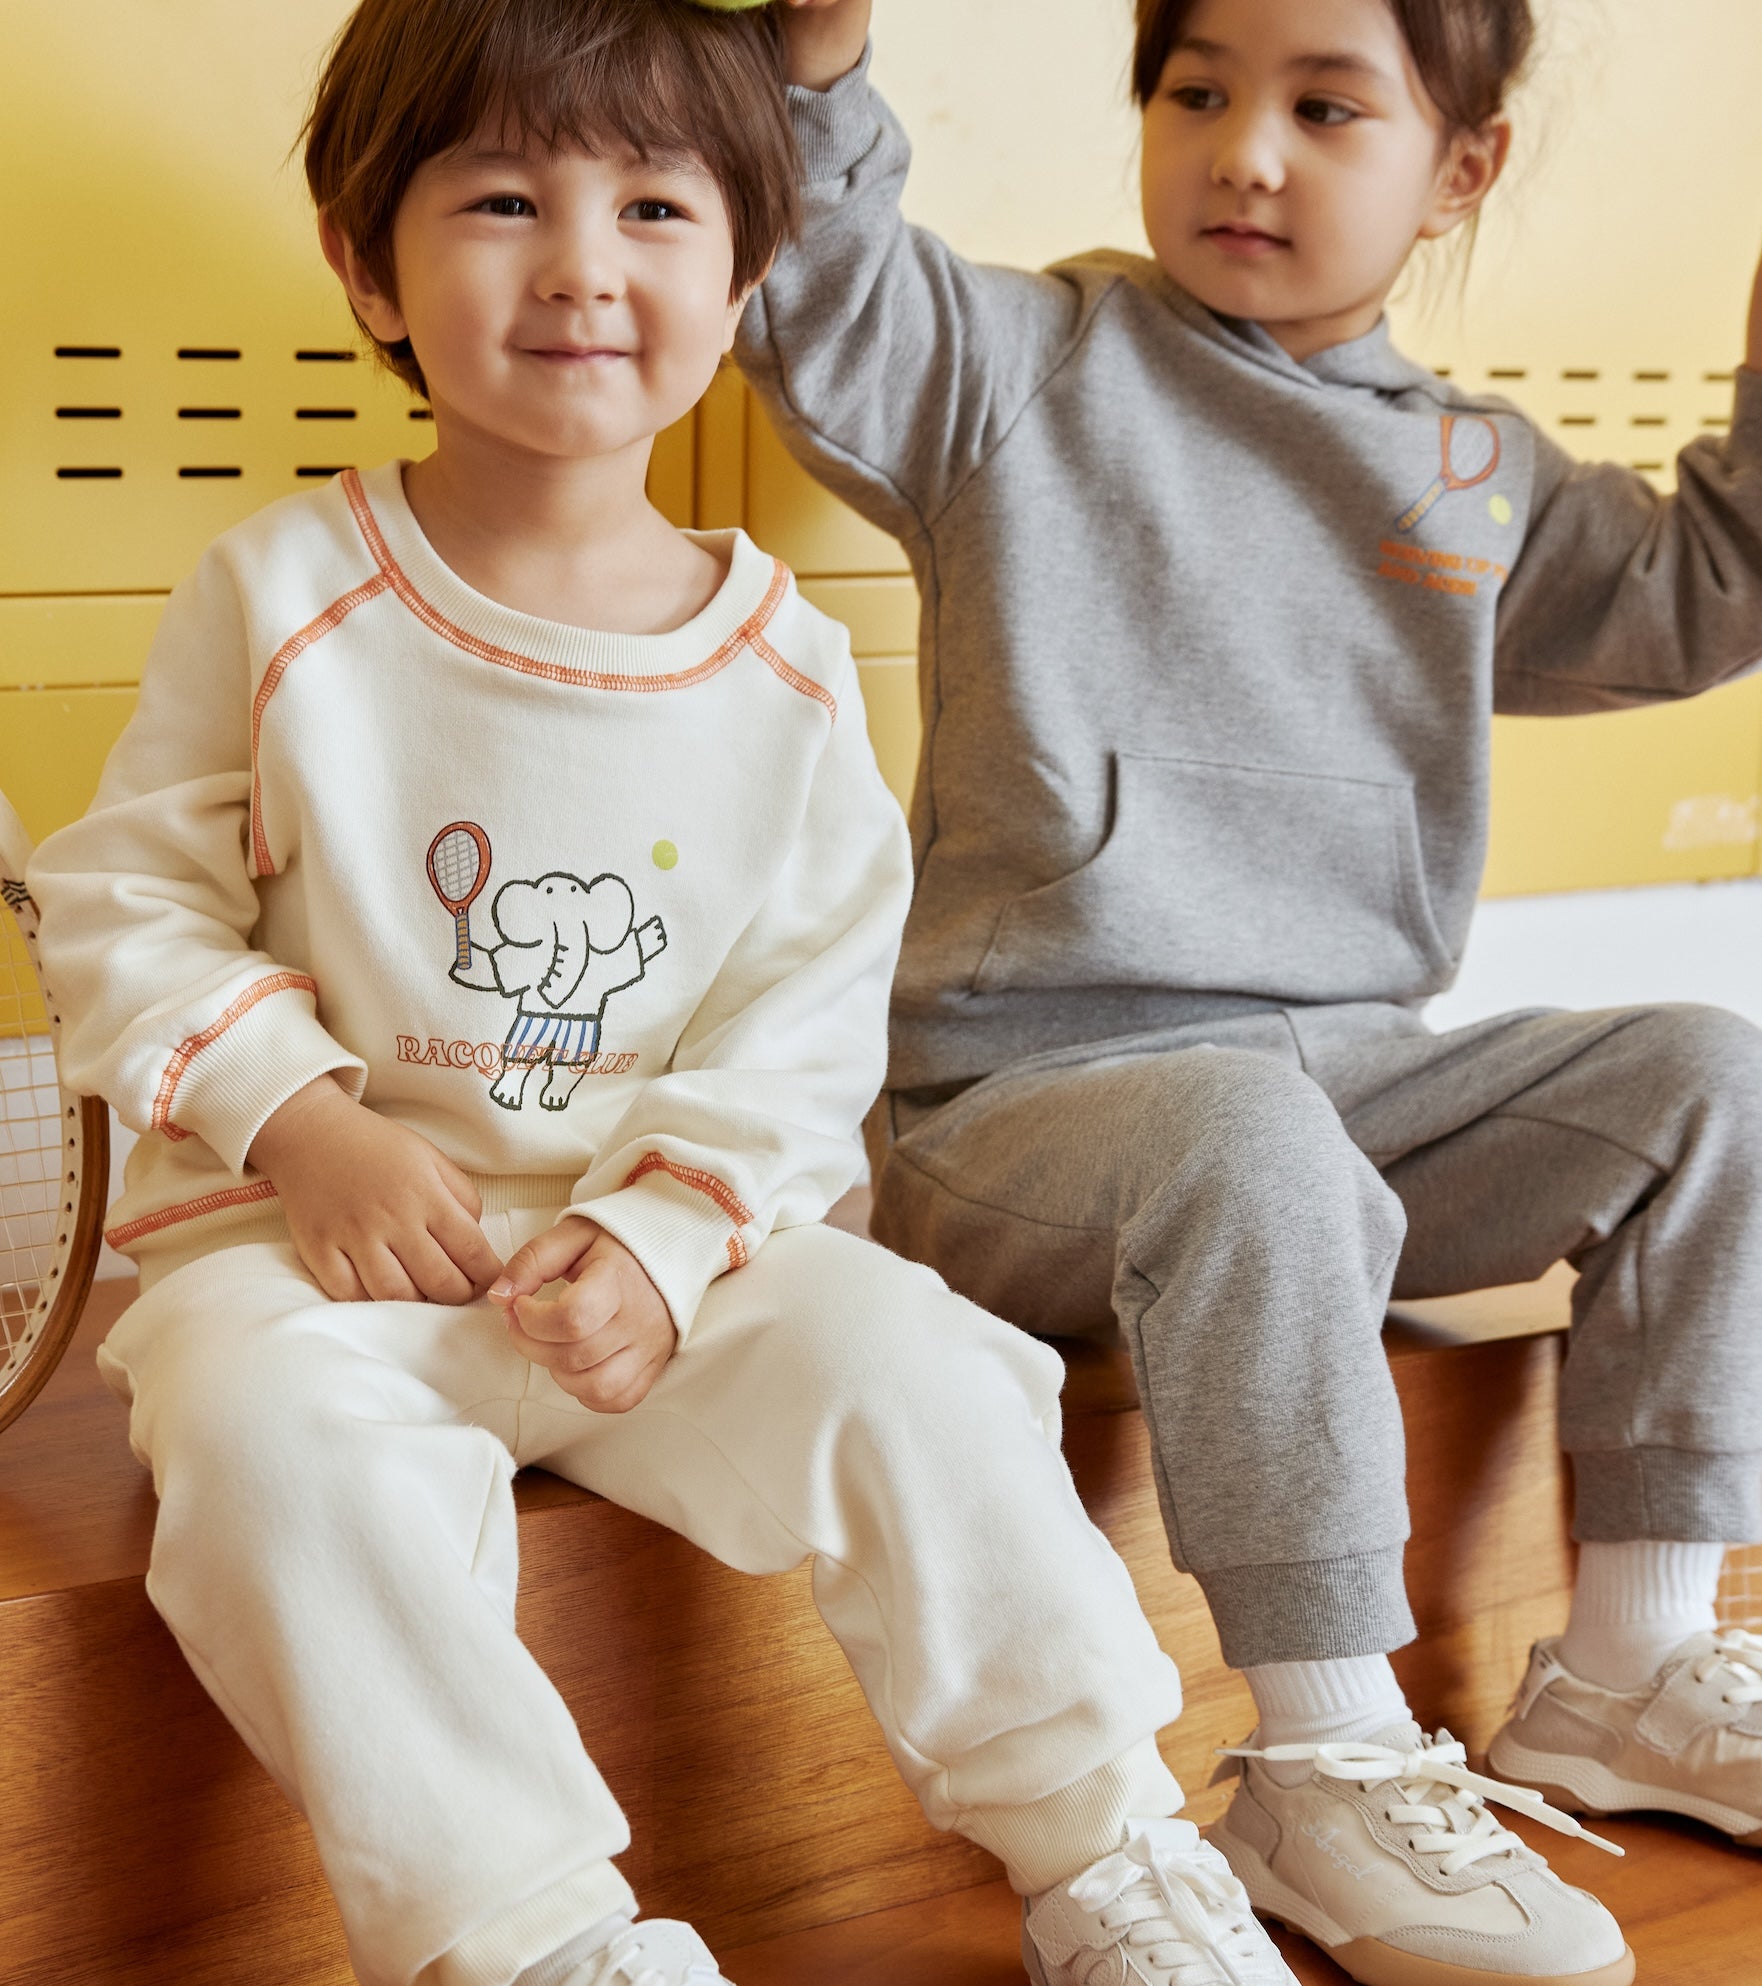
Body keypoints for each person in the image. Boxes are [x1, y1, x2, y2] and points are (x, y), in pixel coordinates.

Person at [27, 2, 1313, 1982]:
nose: (581, 264)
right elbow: (124, 906)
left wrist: (659, 1231)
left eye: (651, 205)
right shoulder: (284, 595)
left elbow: (803, 1026)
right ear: (369, 259)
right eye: (504, 200)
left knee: (922, 1365)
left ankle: (1104, 1846)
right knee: (254, 1443)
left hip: (666, 1275)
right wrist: (301, 1120)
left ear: (749, 269)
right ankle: (535, 1935)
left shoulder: (787, 664)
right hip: (321, 1267)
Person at [740, 0, 1762, 1978]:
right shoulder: (1022, 366)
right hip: (1028, 1114)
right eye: (1196, 92)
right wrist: (813, 65)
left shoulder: (1478, 472)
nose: (1246, 152)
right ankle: (1325, 1757)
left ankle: (1633, 1665)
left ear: (1459, 168)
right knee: (1242, 1130)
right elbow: (822, 271)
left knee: (1715, 1071)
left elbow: (1704, 585)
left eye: (1322, 106)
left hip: (1349, 1095)